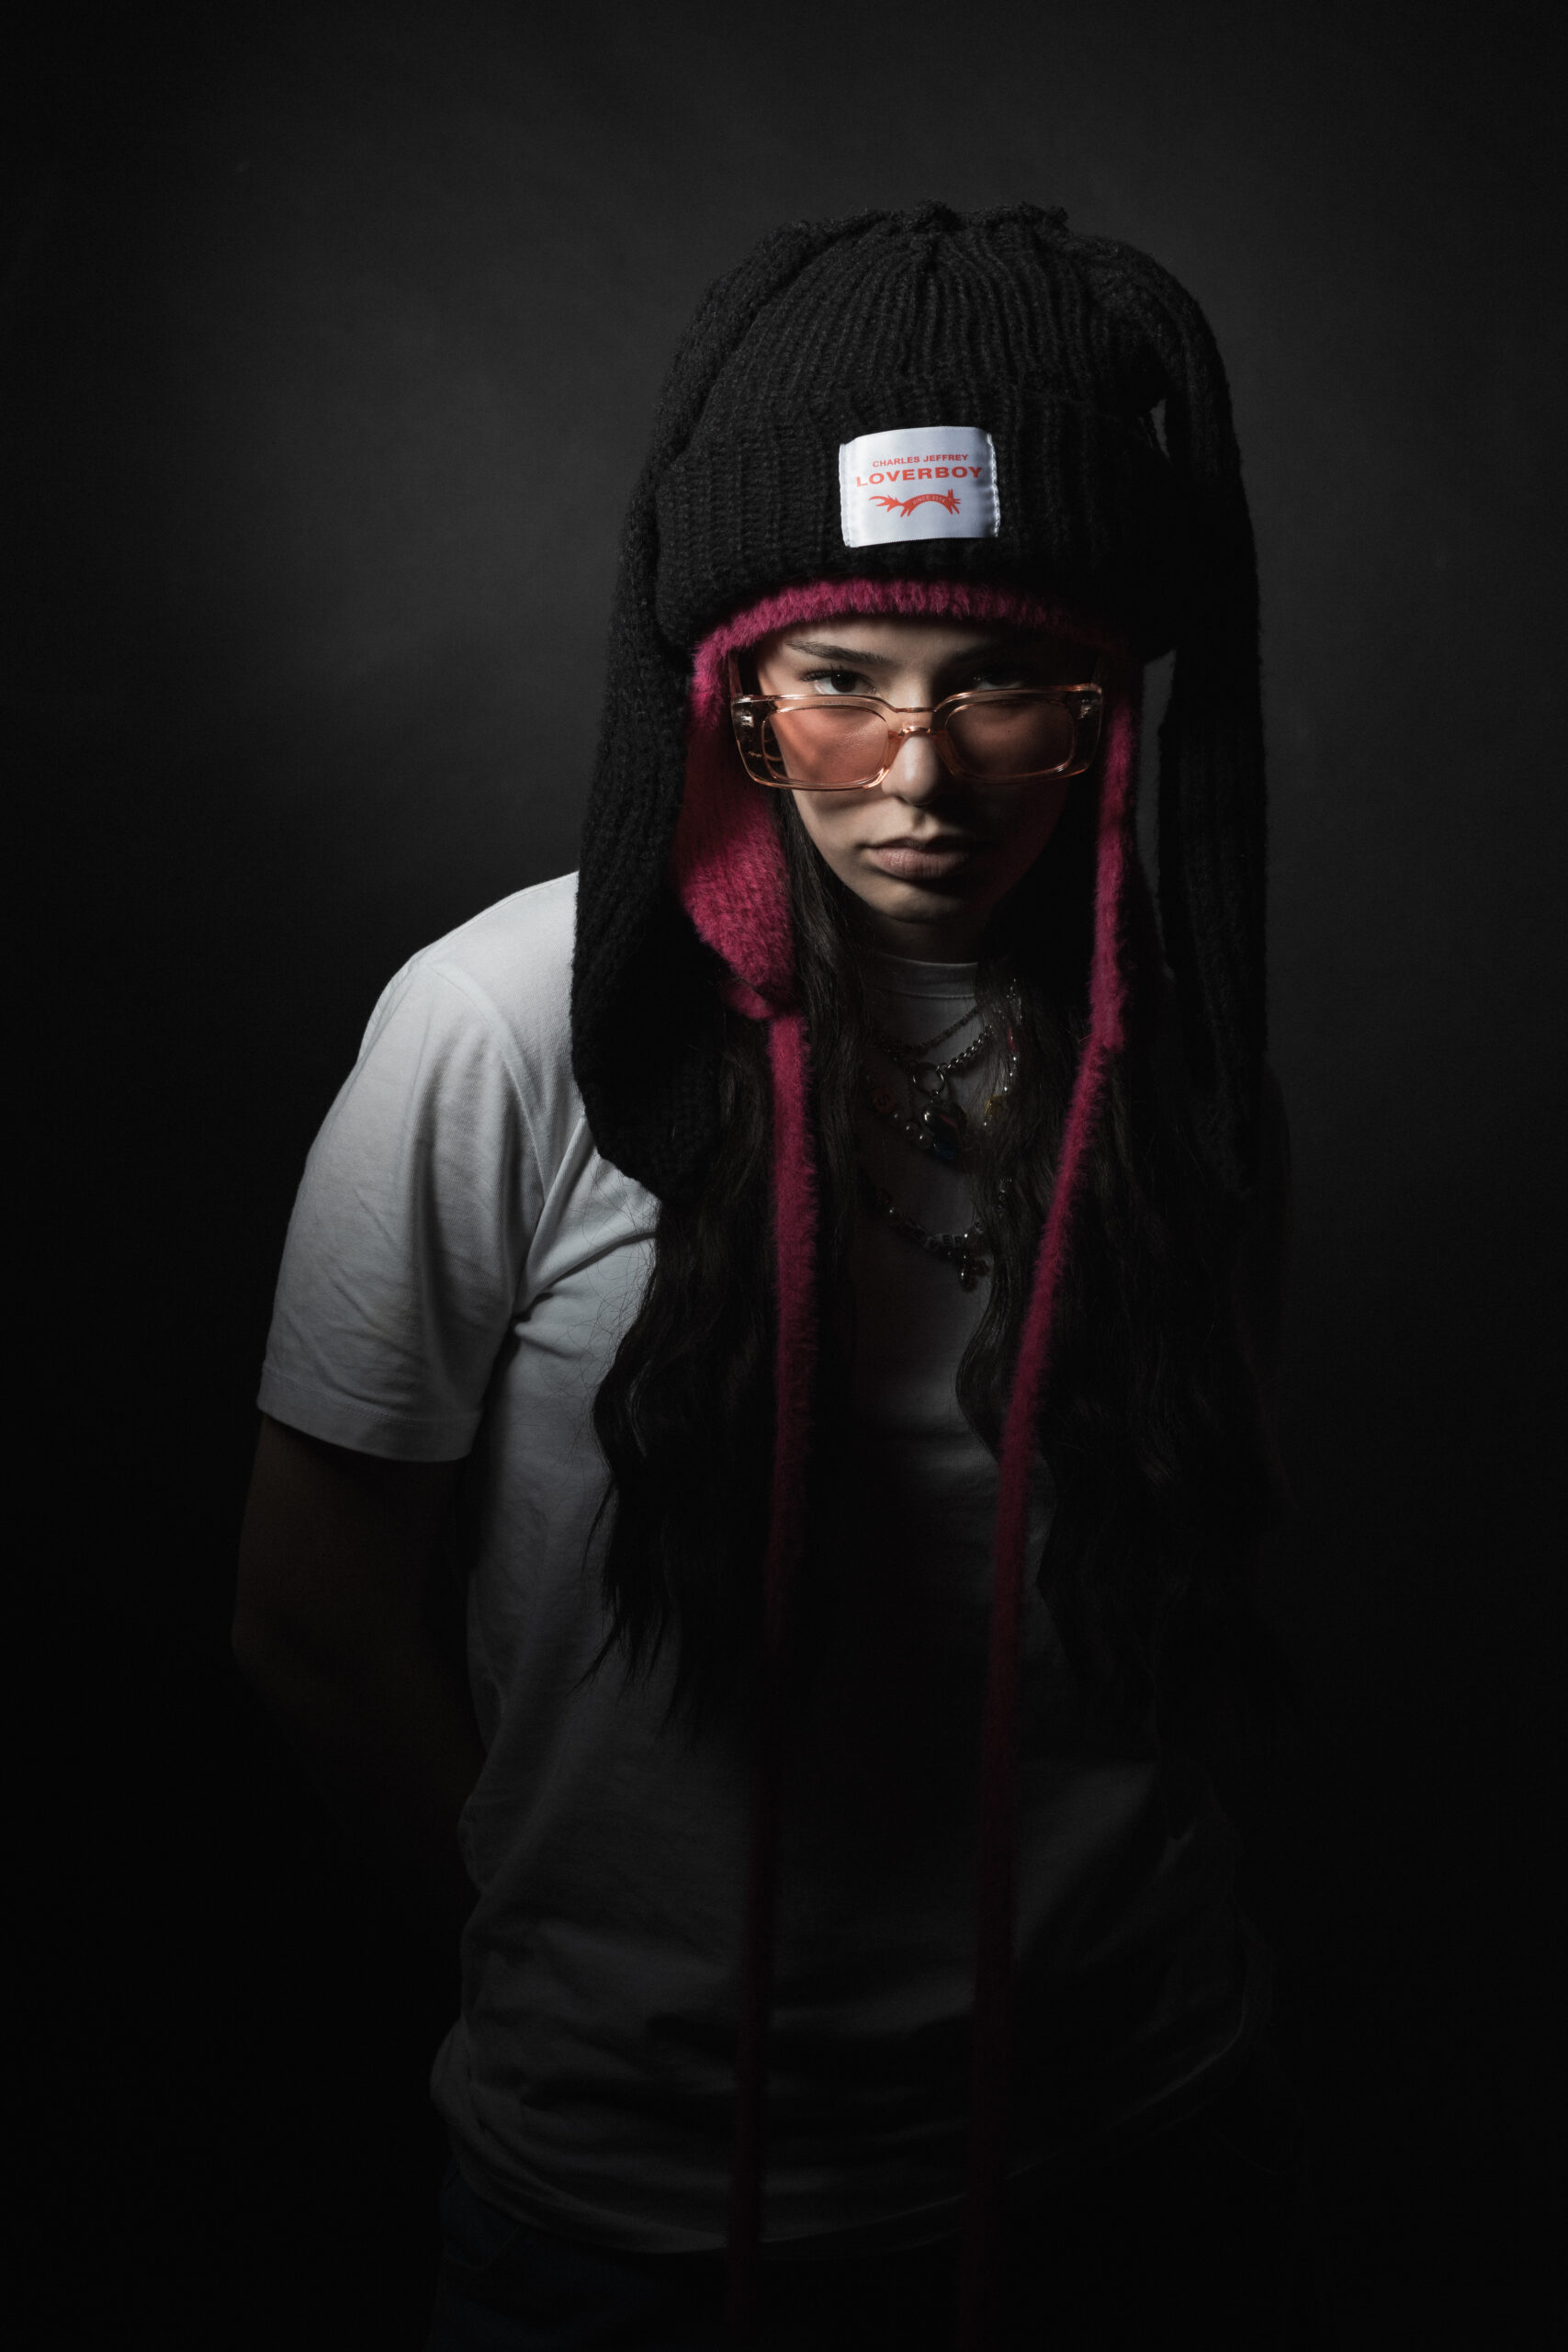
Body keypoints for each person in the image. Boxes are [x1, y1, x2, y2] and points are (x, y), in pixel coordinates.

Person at [233, 202, 1316, 2350]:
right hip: (634, 2208)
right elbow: (308, 1617)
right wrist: (574, 1958)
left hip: (1127, 2147)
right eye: (840, 682)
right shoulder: (506, 1024)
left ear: (1103, 705)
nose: (919, 775)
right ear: (730, 693)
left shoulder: (1163, 1046)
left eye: (998, 683)